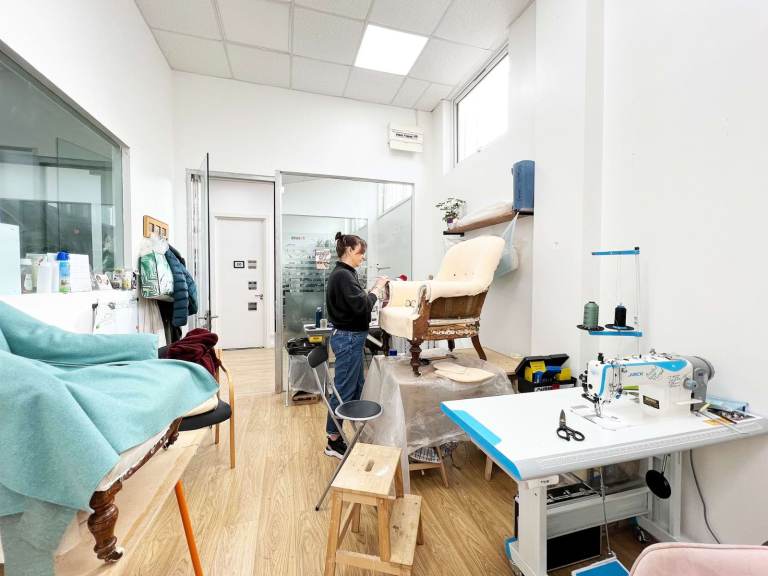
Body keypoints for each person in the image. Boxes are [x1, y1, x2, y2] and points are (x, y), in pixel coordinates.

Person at [323, 232, 387, 459]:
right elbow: (362, 307)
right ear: (349, 250)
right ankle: (333, 439)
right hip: (348, 338)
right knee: (344, 390)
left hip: (351, 337)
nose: (363, 257)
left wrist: (370, 292)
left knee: (357, 386)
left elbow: (356, 303)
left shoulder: (346, 273)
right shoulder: (343, 275)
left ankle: (358, 429)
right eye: (361, 252)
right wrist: (377, 289)